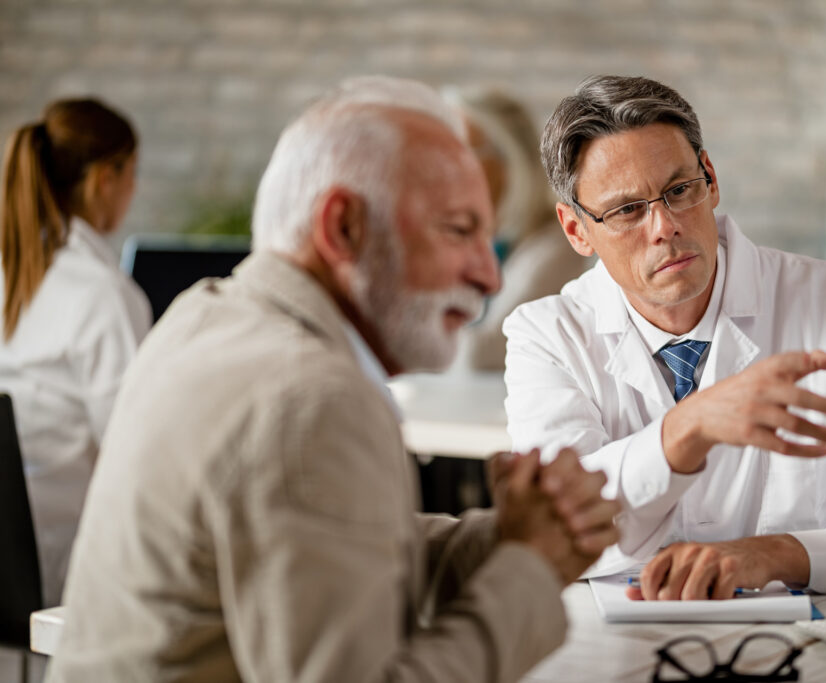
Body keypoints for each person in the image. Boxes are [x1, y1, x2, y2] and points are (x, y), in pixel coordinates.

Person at [46, 76, 620, 682]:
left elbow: (330, 547)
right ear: (343, 227)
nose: (489, 276)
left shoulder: (203, 315)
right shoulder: (312, 400)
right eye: (457, 229)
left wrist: (507, 537)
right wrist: (530, 570)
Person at [503, 75, 826, 600]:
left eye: (679, 191)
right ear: (577, 230)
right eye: (627, 210)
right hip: (625, 643)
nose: (664, 226)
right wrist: (687, 428)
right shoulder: (546, 336)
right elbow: (560, 537)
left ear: (710, 179)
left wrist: (779, 554)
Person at [0, 98, 151, 608]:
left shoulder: (9, 271)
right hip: (57, 575)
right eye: (132, 173)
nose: (135, 189)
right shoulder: (103, 295)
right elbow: (137, 453)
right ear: (105, 179)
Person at [444, 86, 590, 371]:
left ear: (507, 161)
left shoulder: (558, 245)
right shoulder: (490, 242)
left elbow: (486, 353)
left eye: (460, 153)